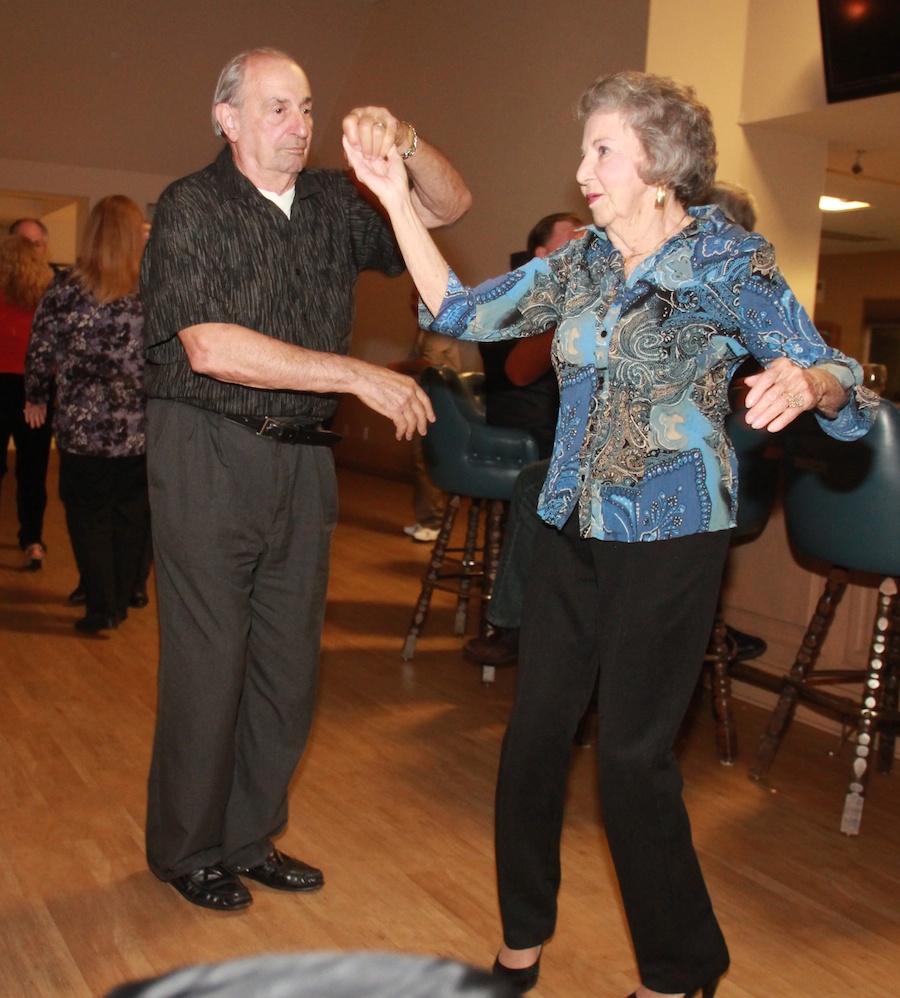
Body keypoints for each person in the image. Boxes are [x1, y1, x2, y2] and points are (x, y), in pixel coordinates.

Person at [344, 70, 878, 998]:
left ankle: (682, 970)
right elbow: (461, 312)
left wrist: (810, 384)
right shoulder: (585, 260)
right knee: (534, 739)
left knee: (632, 759)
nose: (580, 168)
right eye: (583, 147)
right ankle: (520, 944)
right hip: (568, 526)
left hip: (672, 535)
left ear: (660, 164)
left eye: (600, 149)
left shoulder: (726, 262)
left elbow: (843, 379)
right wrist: (396, 199)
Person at [140, 46, 470, 912]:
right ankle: (187, 848)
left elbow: (450, 203)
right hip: (207, 446)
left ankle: (249, 837)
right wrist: (357, 375)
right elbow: (209, 348)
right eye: (278, 108)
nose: (300, 125)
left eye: (308, 108)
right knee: (211, 662)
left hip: (302, 457)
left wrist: (403, 141)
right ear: (229, 118)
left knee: (287, 666)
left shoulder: (332, 201)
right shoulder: (190, 206)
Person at [465, 189, 766, 669]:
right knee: (553, 485)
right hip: (561, 442)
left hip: (689, 476)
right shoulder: (554, 293)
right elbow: (519, 371)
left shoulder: (732, 291)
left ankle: (586, 631)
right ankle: (538, 625)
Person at [24, 196, 151, 633]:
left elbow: (40, 347)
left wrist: (36, 395)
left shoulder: (65, 288)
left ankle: (102, 607)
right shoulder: (152, 289)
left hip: (82, 425)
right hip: (139, 426)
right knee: (130, 514)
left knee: (87, 512)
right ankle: (118, 598)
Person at [464, 213, 582, 665]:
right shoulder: (513, 297)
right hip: (525, 427)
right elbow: (518, 371)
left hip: (556, 430)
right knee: (547, 481)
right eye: (572, 243)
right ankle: (516, 624)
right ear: (542, 255)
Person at [0, 234, 54, 569]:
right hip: (36, 388)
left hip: (11, 384)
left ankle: (32, 538)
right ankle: (32, 539)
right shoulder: (47, 293)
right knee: (33, 470)